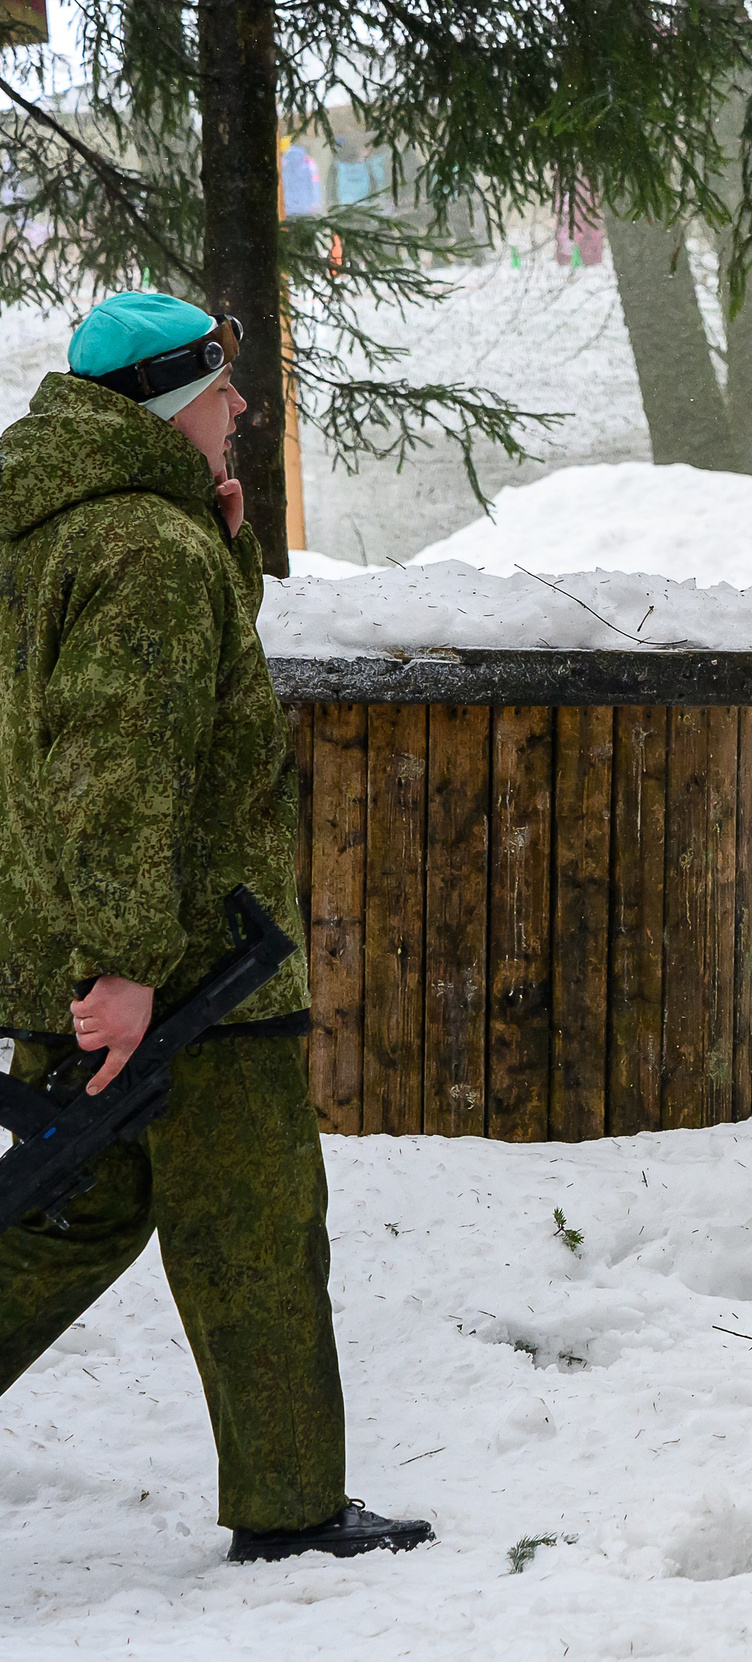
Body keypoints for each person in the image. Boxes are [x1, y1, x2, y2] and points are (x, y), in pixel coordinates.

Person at [0, 292, 432, 1563]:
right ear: (163, 399)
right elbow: (122, 765)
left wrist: (222, 553)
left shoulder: (50, 527)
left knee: (61, 1217)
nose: (241, 408)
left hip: (65, 952)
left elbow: (129, 715)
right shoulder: (144, 549)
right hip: (185, 974)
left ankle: (293, 1500)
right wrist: (129, 966)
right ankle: (294, 1513)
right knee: (256, 1225)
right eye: (220, 389)